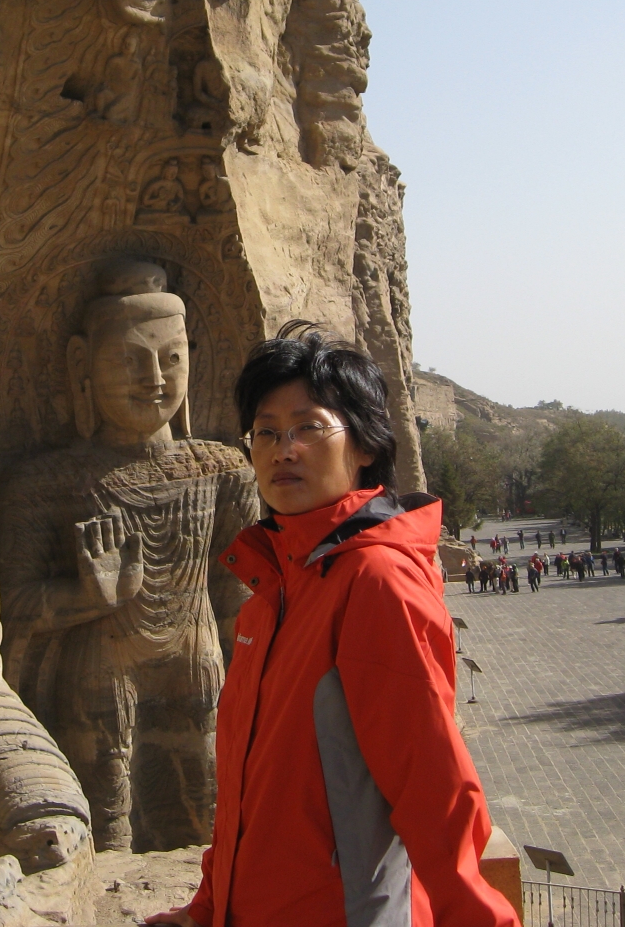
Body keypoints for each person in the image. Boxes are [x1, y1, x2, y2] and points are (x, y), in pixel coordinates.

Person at [147, 322, 518, 927]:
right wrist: (208, 908)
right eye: (266, 432)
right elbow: (249, 790)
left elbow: (434, 788)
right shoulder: (272, 590)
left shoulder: (374, 582)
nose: (283, 449)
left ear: (365, 444)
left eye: (308, 428)